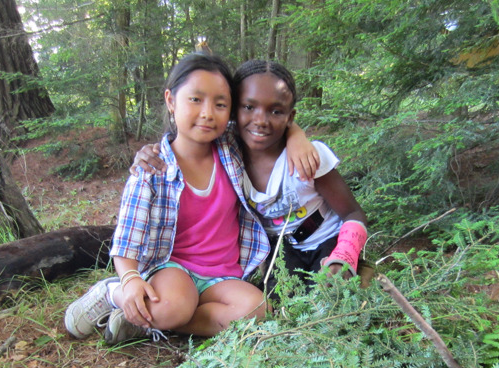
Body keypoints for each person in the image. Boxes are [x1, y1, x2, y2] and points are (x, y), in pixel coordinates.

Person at [64, 53, 316, 344]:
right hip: (173, 269)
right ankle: (112, 295)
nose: (208, 113)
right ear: (171, 101)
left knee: (258, 311)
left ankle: (146, 321)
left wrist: (296, 134)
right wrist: (130, 280)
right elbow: (127, 238)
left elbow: (265, 124)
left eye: (220, 104)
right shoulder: (152, 170)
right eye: (195, 100)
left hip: (224, 275)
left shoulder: (231, 148)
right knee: (174, 306)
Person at [134, 59, 367, 291]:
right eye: (248, 107)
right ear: (234, 110)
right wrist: (151, 153)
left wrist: (344, 255)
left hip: (328, 242)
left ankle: (362, 271)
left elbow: (353, 212)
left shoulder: (308, 157)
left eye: (276, 111)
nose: (261, 120)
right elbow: (188, 140)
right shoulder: (226, 155)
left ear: (290, 117)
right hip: (277, 252)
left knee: (334, 294)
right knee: (282, 302)